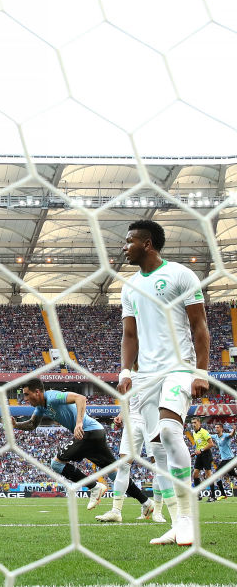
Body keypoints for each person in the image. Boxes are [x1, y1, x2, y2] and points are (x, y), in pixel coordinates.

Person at [118, 219, 210, 546]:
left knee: (171, 432)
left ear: (147, 244)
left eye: (129, 241)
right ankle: (175, 523)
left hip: (179, 367)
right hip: (146, 376)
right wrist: (126, 371)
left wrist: (201, 371)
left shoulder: (180, 275)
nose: (123, 247)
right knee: (157, 451)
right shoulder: (128, 286)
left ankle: (187, 520)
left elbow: (199, 327)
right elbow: (130, 335)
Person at [14, 378, 152, 518]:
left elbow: (80, 398)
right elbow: (32, 424)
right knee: (115, 474)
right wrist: (16, 425)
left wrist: (79, 423)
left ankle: (95, 487)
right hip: (96, 433)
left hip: (89, 432)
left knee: (56, 463)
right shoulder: (40, 408)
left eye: (26, 394)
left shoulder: (52, 396)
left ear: (37, 392)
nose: (25, 398)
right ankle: (146, 502)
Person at [96, 388, 172, 524]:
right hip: (132, 421)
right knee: (123, 465)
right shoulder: (128, 373)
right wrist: (121, 415)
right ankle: (116, 511)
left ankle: (158, 511)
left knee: (157, 465)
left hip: (152, 419)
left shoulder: (154, 370)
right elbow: (128, 401)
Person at [189, 417, 216, 502]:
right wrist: (196, 452)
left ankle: (213, 496)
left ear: (199, 423)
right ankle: (198, 495)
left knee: (208, 475)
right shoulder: (194, 433)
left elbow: (211, 444)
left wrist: (201, 450)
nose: (193, 424)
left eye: (195, 422)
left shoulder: (204, 432)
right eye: (192, 423)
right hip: (199, 455)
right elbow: (198, 445)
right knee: (195, 474)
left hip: (206, 454)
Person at [211, 423, 234, 499]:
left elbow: (231, 435)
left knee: (216, 474)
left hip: (230, 459)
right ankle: (223, 494)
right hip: (225, 459)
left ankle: (223, 494)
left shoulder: (225, 435)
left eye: (217, 427)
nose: (216, 428)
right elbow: (208, 435)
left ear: (221, 429)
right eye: (215, 427)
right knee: (233, 474)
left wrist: (234, 430)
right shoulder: (215, 436)